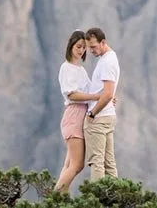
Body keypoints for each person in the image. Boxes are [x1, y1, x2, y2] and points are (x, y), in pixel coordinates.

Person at [54, 31, 99, 193]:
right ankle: (55, 197)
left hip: (80, 116)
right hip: (74, 115)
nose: (81, 51)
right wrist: (96, 96)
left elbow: (92, 90)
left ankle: (59, 200)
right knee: (77, 165)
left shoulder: (80, 69)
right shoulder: (66, 68)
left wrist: (105, 97)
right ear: (71, 45)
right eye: (78, 47)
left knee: (68, 165)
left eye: (84, 48)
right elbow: (72, 94)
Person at [83, 27, 120, 181]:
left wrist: (92, 113)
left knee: (96, 162)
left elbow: (108, 93)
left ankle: (96, 201)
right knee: (109, 163)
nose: (91, 51)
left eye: (93, 47)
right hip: (107, 115)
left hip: (99, 118)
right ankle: (115, 199)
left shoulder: (107, 62)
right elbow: (108, 92)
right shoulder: (109, 59)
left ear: (103, 42)